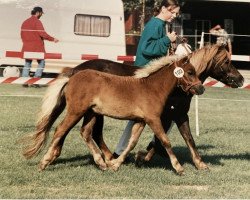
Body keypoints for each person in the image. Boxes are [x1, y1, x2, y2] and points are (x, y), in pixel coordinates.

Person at [113, 0, 180, 159]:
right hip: (145, 75)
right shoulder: (155, 24)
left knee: (143, 116)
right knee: (149, 115)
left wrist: (169, 45)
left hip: (149, 74)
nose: (175, 16)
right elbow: (146, 49)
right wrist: (167, 40)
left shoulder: (160, 24)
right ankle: (151, 145)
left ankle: (124, 151)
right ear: (164, 8)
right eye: (173, 12)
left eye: (177, 13)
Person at [21, 6, 59, 87]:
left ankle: (24, 80)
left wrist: (26, 43)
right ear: (38, 12)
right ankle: (35, 80)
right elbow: (42, 34)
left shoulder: (25, 22)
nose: (41, 15)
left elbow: (22, 35)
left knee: (27, 63)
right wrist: (53, 39)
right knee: (41, 62)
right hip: (36, 48)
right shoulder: (37, 22)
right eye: (41, 13)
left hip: (27, 47)